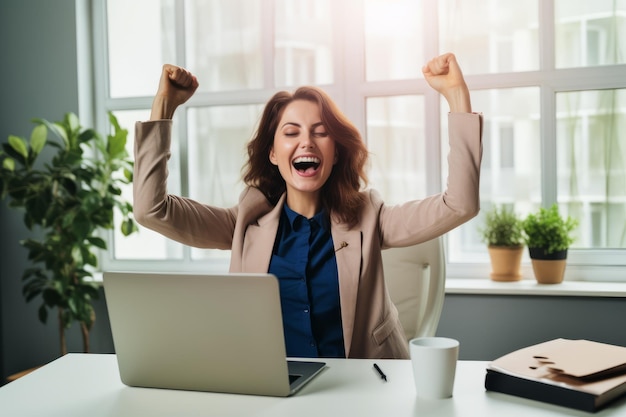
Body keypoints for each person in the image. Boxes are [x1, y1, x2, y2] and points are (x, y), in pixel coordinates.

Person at [133, 52, 482, 359]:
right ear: (272, 153)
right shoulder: (244, 223)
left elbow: (459, 204)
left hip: (366, 388)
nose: (306, 142)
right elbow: (152, 209)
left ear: (336, 152)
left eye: (320, 131)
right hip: (275, 391)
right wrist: (165, 105)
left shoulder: (371, 217)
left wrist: (456, 95)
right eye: (291, 132)